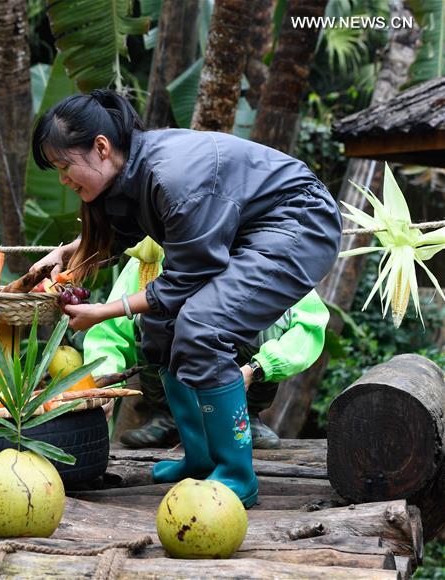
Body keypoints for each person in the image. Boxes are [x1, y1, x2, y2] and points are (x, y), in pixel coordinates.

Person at [30, 90, 342, 508]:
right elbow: (122, 235)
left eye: (65, 166)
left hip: (298, 222)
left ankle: (236, 473)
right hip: (250, 228)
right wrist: (71, 251)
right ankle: (198, 457)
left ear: (101, 148)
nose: (63, 179)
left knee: (202, 327)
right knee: (160, 327)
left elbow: (187, 276)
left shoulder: (172, 177)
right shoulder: (130, 172)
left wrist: (106, 311)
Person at [84, 236, 330, 450]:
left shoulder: (267, 253)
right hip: (174, 372)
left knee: (271, 316)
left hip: (240, 373)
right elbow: (110, 333)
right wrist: (102, 383)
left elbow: (307, 326)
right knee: (150, 313)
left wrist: (258, 368)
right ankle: (167, 416)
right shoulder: (150, 257)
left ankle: (247, 416)